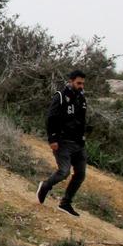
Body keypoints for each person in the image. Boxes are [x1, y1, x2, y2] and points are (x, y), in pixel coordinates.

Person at [36, 69, 91, 217]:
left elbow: (82, 120)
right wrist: (52, 139)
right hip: (63, 142)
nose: (81, 86)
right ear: (71, 81)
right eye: (78, 83)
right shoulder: (60, 96)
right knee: (64, 171)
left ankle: (66, 203)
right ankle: (45, 186)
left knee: (80, 174)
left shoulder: (82, 98)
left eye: (83, 84)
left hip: (78, 143)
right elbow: (51, 118)